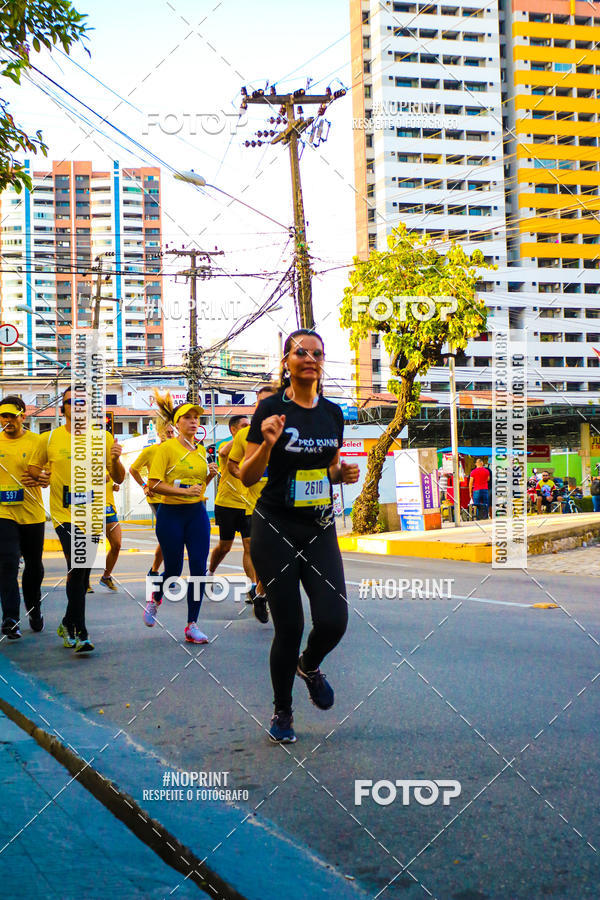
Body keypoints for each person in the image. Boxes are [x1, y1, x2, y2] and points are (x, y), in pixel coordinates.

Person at [240, 329, 359, 744]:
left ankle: (308, 665)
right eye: (300, 352)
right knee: (289, 626)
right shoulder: (271, 408)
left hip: (319, 526)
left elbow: (327, 468)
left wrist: (340, 473)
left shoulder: (332, 413)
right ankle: (283, 711)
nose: (310, 358)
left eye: (317, 353)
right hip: (275, 526)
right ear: (286, 362)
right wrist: (267, 445)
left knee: (334, 620)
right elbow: (247, 475)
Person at [28, 387, 125, 652]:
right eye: (72, 402)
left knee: (80, 573)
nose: (78, 406)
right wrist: (41, 476)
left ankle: (67, 623)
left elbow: (118, 477)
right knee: (79, 565)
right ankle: (81, 633)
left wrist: (116, 460)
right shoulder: (49, 439)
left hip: (93, 514)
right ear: (63, 409)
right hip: (64, 515)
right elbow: (34, 467)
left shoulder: (103, 438)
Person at [143, 396, 218, 643]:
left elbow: (197, 488)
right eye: (187, 417)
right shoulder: (166, 449)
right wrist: (183, 492)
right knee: (173, 569)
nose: (194, 421)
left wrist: (209, 477)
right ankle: (155, 598)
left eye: (196, 418)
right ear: (177, 423)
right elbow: (154, 484)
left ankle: (192, 625)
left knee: (198, 568)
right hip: (171, 514)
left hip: (196, 514)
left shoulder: (200, 452)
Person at [227, 384, 278, 623]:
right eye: (261, 403)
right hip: (255, 506)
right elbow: (231, 463)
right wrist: (244, 476)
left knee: (284, 560)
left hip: (287, 507)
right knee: (265, 558)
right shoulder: (244, 435)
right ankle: (263, 592)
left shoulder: (291, 430)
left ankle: (261, 593)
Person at [0, 396, 48, 639]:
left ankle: (34, 609)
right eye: (3, 416)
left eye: (12, 416)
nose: (7, 420)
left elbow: (50, 474)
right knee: (7, 562)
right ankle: (10, 618)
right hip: (3, 513)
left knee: (34, 567)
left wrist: (45, 478)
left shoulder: (37, 442)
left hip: (32, 513)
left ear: (23, 416)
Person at [208, 414, 257, 587]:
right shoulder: (226, 446)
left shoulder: (251, 448)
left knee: (249, 545)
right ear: (233, 429)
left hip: (247, 505)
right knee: (225, 546)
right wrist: (240, 437)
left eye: (249, 425)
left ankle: (252, 587)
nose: (248, 428)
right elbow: (222, 453)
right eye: (244, 426)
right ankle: (210, 571)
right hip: (226, 503)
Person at [130, 416, 175, 576]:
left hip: (175, 498)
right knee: (169, 536)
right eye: (168, 433)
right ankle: (163, 572)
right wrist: (144, 486)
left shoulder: (177, 451)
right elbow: (133, 469)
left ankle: (156, 571)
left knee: (171, 537)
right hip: (157, 498)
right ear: (160, 433)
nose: (171, 435)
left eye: (172, 432)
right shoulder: (150, 451)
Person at [98, 474, 122, 591]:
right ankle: (84, 581)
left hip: (109, 509)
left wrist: (113, 487)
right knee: (88, 548)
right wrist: (98, 479)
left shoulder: (109, 466)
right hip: (89, 508)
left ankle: (106, 577)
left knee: (116, 545)